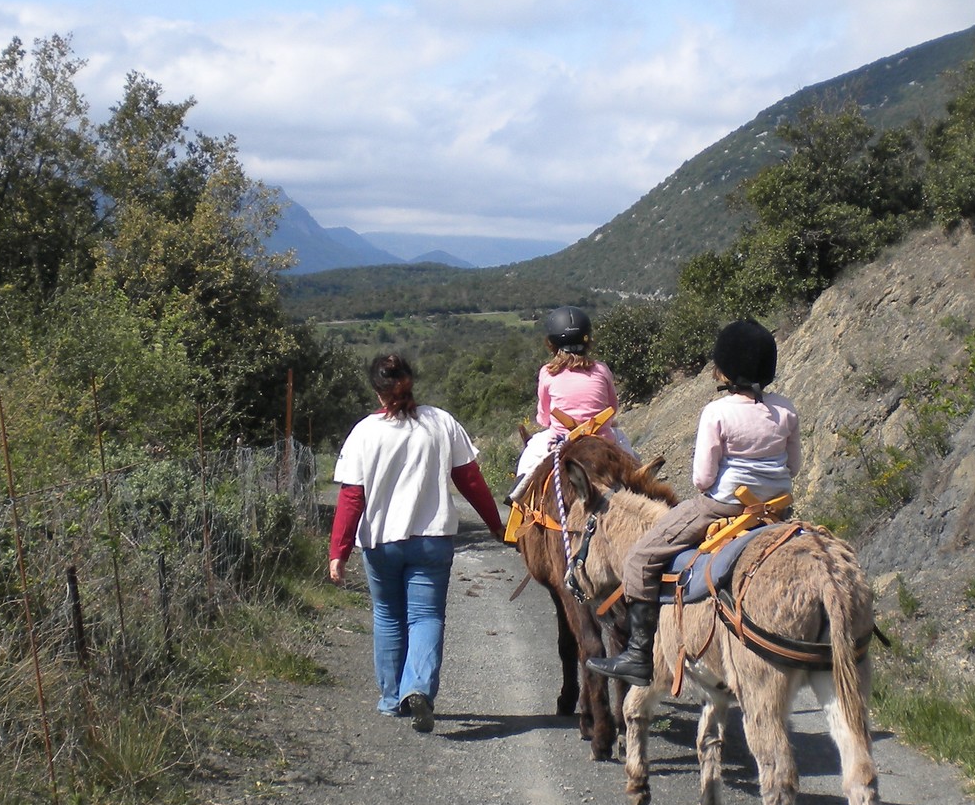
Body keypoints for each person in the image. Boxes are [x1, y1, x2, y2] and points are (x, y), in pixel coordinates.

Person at [587, 318, 796, 687]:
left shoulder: (717, 411)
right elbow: (793, 465)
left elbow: (701, 479)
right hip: (777, 509)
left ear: (727, 368)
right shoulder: (786, 409)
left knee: (641, 556)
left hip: (725, 506)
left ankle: (638, 653)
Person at [329, 354, 507, 732]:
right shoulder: (440, 422)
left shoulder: (364, 433)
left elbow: (351, 498)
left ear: (377, 391)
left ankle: (393, 697)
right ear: (411, 382)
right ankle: (419, 688)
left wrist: (338, 553)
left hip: (381, 543)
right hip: (432, 540)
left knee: (388, 616)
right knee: (425, 617)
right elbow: (470, 480)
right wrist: (495, 524)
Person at [511, 306, 633, 499]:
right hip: (603, 439)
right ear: (588, 339)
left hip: (560, 442)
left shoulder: (548, 372)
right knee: (634, 462)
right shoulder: (601, 369)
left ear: (551, 343)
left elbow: (544, 417)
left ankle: (517, 496)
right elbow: (612, 408)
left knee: (529, 458)